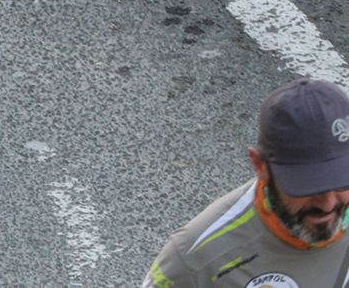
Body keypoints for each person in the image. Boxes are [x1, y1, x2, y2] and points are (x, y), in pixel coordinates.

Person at [144, 79, 349, 285]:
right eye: (309, 185)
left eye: (341, 180)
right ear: (260, 166)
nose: (328, 204)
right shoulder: (195, 261)